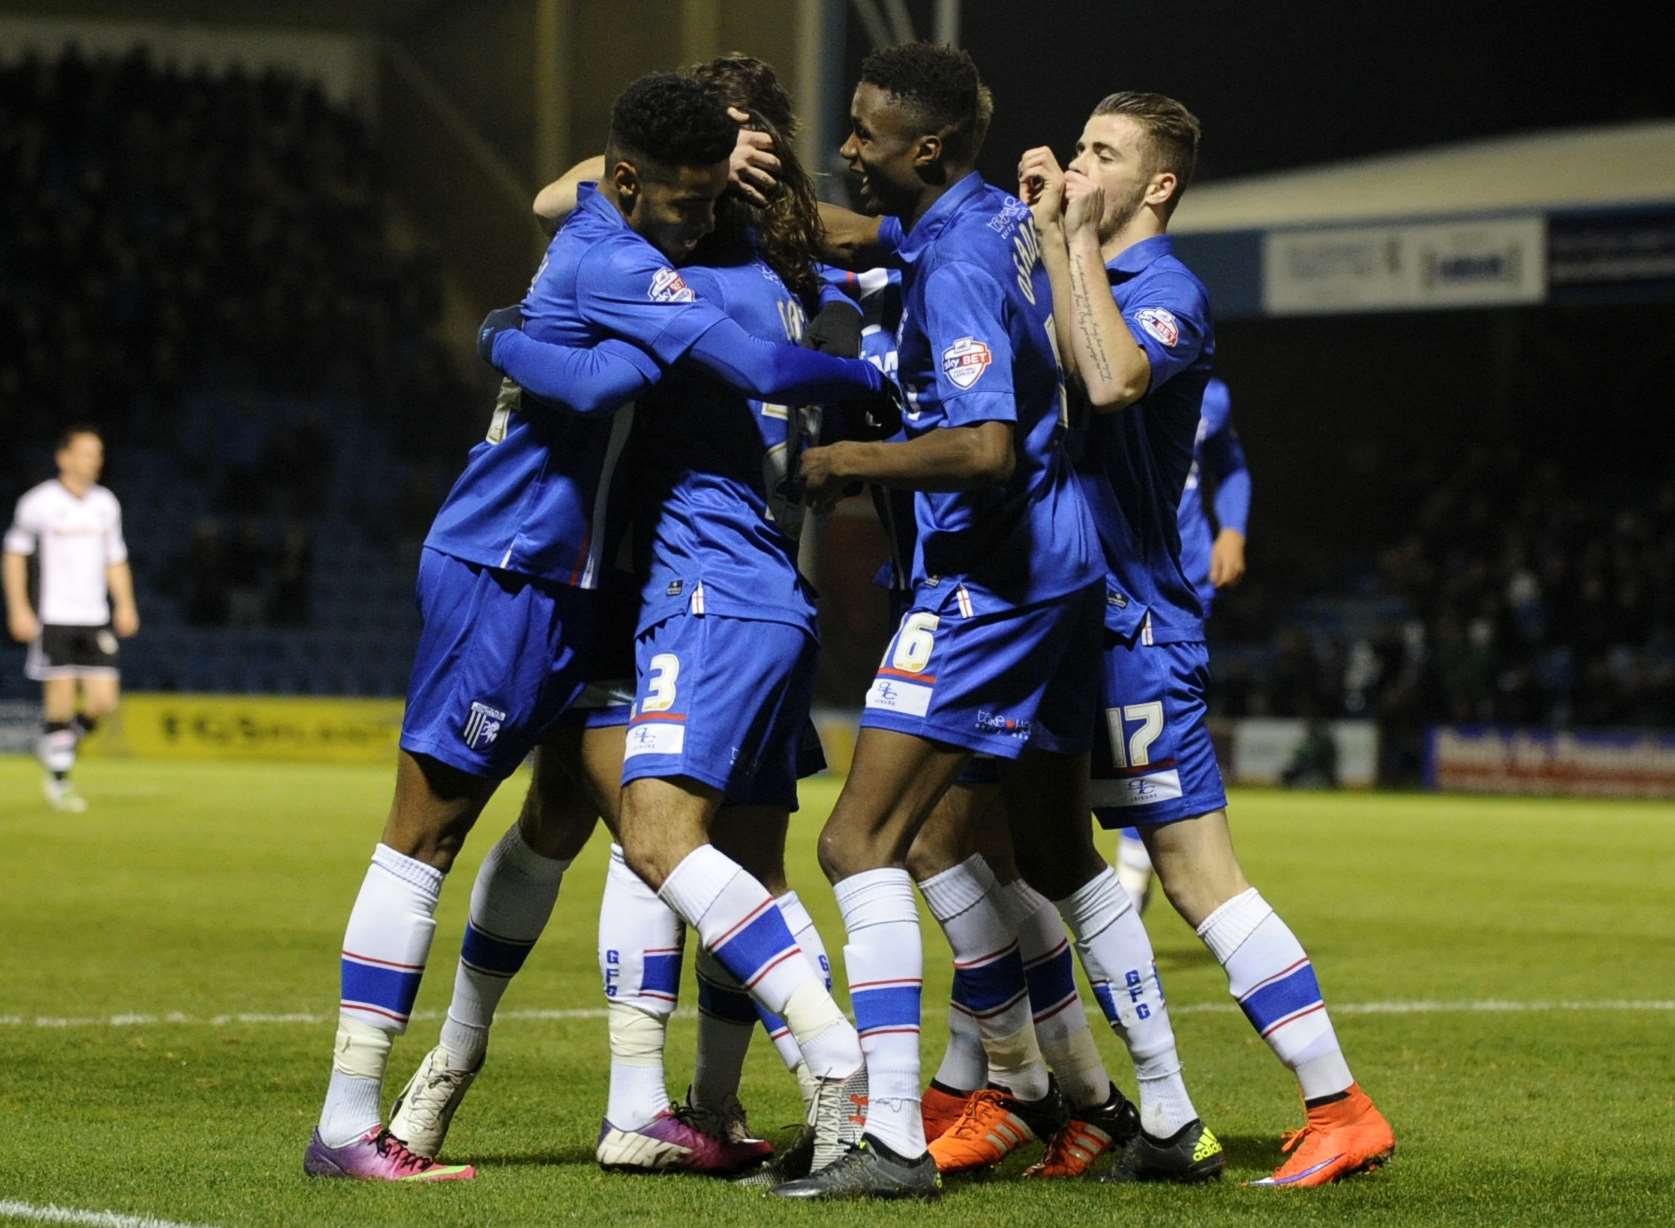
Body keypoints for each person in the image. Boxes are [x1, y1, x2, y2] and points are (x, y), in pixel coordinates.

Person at [303, 71, 889, 1184]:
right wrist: (864, 372)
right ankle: (349, 1117)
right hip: (511, 567)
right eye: (691, 192)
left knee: (638, 830)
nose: (707, 211)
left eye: (724, 187)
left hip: (596, 589)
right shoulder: (616, 249)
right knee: (423, 834)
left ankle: (605, 1097)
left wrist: (511, 337)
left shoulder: (663, 242)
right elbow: (717, 355)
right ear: (629, 179)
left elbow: (612, 362)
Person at [776, 44, 1205, 1200]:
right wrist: (747, 194)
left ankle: (895, 1139)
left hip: (993, 578)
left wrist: (847, 459)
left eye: (862, 135)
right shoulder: (969, 222)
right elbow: (874, 238)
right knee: (1049, 850)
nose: (847, 148)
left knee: (856, 841)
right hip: (1060, 568)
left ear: (919, 149)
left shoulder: (960, 260)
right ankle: (1154, 1109)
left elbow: (981, 445)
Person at [1018, 89, 1394, 1188]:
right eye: (1079, 144)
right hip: (1058, 619)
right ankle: (1042, 1099)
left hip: (1133, 624)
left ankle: (1338, 1102)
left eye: (1105, 154)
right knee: (996, 852)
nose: (1081, 164)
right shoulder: (1076, 262)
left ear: (1159, 184)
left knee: (1193, 873)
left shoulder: (1166, 290)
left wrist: (1069, 239)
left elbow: (1108, 376)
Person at [1117, 375, 1249, 909]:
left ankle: (1131, 866)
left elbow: (1231, 464)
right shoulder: (1104, 381)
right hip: (1106, 571)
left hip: (1182, 580)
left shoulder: (1211, 396)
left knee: (1158, 713)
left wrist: (1233, 530)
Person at [3, 426, 138, 813]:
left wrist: (125, 604)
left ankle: (56, 746)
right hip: (54, 617)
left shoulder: (105, 504)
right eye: (85, 453)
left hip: (94, 617)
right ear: (64, 458)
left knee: (103, 701)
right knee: (59, 701)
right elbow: (14, 554)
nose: (93, 461)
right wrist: (18, 607)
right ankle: (60, 782)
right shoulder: (38, 503)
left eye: (97, 454)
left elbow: (116, 558)